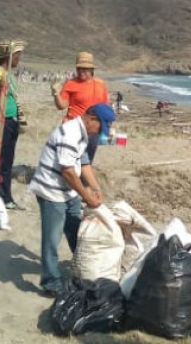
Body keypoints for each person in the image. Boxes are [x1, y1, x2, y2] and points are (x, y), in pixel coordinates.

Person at [27, 103, 116, 296]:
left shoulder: (83, 133)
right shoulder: (70, 134)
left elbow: (83, 164)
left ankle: (82, 270)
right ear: (91, 118)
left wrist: (95, 188)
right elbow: (67, 171)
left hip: (69, 192)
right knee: (52, 239)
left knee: (77, 232)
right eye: (100, 126)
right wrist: (87, 196)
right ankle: (51, 282)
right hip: (52, 192)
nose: (100, 131)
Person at [0, 40, 27, 210]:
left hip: (9, 121)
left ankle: (5, 197)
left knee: (6, 161)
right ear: (8, 56)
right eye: (16, 55)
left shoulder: (7, 74)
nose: (18, 59)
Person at [50, 51, 109, 160]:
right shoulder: (71, 84)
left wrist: (106, 129)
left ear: (92, 69)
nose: (81, 71)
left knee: (87, 161)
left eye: (84, 69)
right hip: (73, 129)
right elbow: (61, 106)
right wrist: (56, 94)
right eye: (79, 68)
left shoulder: (101, 84)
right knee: (71, 161)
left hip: (92, 130)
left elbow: (105, 108)